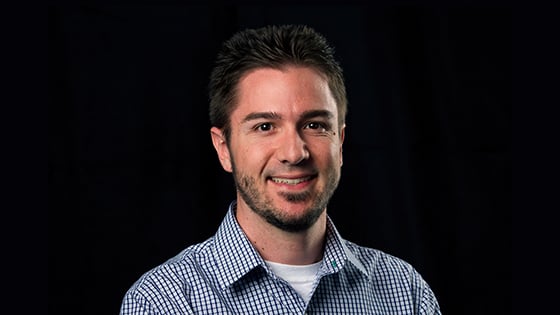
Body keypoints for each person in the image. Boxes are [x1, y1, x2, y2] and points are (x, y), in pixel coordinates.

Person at [120, 24, 441, 314]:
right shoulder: (164, 301)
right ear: (224, 149)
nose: (294, 152)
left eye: (314, 124)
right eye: (264, 127)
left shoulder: (404, 292)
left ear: (340, 143)